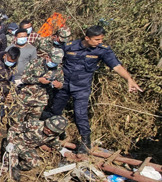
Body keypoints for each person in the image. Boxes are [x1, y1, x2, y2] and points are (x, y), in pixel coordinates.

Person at [45, 25, 142, 154]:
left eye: (101, 39)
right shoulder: (69, 46)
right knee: (55, 110)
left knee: (80, 114)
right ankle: (56, 135)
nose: (99, 42)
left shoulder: (102, 50)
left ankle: (85, 143)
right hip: (64, 85)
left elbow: (116, 66)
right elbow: (54, 60)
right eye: (96, 39)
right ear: (87, 38)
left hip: (82, 88)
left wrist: (129, 79)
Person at [11, 40, 64, 123]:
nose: (54, 64)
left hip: (40, 101)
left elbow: (61, 84)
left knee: (33, 124)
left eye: (56, 63)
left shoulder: (58, 69)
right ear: (48, 57)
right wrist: (38, 80)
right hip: (25, 97)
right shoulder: (35, 63)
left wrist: (59, 85)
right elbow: (24, 78)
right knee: (16, 121)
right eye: (53, 61)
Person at [5, 115, 68, 181]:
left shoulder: (53, 136)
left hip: (28, 148)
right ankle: (11, 170)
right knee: (11, 162)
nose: (48, 130)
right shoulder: (34, 124)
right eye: (48, 127)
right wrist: (10, 142)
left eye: (51, 130)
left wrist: (62, 150)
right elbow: (13, 129)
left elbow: (54, 142)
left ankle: (17, 167)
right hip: (15, 144)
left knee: (35, 162)